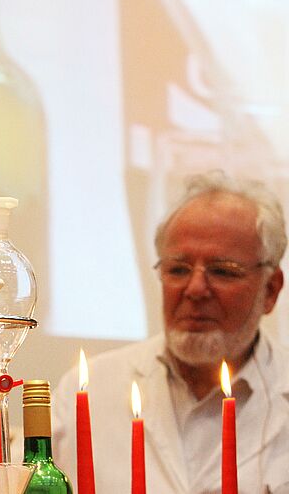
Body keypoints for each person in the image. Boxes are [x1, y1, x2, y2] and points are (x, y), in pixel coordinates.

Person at [51, 171, 289, 493]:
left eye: (222, 271)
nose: (195, 289)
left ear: (271, 290)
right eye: (177, 269)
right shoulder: (88, 390)